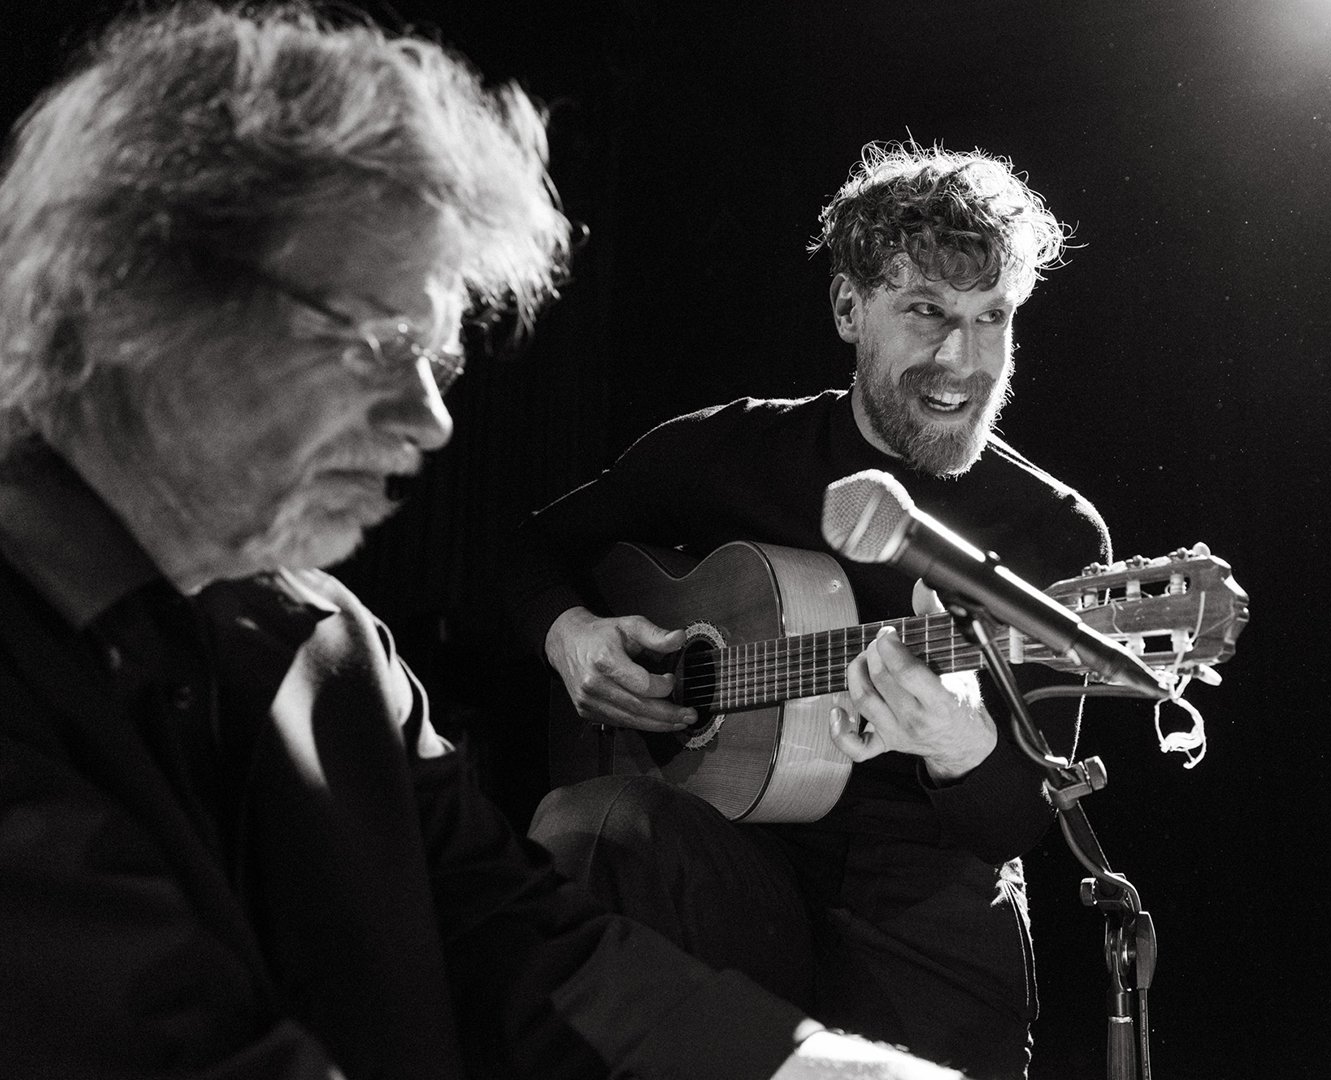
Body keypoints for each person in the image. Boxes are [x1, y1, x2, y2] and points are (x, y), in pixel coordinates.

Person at [0, 6, 970, 1078]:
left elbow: (522, 947)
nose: (431, 420)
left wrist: (820, 1069)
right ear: (144, 302)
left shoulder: (334, 651)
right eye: (378, 340)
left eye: (436, 357)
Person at [505, 142, 1112, 1080]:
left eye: (993, 317)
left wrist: (960, 745)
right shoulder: (728, 453)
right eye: (926, 313)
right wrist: (571, 632)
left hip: (924, 905)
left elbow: (1011, 826)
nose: (964, 359)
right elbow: (527, 549)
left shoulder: (1050, 534)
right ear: (847, 308)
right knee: (591, 822)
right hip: (727, 861)